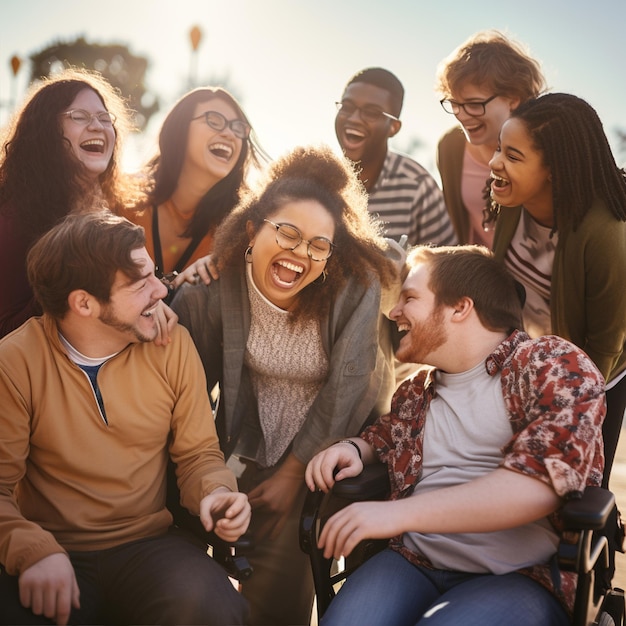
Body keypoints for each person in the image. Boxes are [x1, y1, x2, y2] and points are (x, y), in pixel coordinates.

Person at [305, 244, 605, 626]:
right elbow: (387, 434)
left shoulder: (551, 364)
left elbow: (541, 482)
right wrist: (355, 447)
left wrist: (393, 515)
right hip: (414, 560)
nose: (394, 312)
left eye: (410, 298)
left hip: (520, 575)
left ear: (460, 308)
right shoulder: (415, 392)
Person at [171, 144, 400, 625]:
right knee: (201, 584)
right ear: (253, 230)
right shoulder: (219, 287)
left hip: (331, 459)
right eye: (288, 234)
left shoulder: (352, 285)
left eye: (319, 245)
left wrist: (293, 474)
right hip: (248, 448)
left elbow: (352, 385)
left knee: (278, 595)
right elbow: (182, 385)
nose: (301, 253)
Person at [0, 211, 250, 626]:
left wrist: (214, 493)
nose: (161, 289)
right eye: (140, 284)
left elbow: (199, 455)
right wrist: (32, 550)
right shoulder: (15, 362)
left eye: (155, 274)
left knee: (213, 607)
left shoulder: (172, 345)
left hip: (148, 545)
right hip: (54, 550)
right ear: (84, 303)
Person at [488, 92, 626, 484]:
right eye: (500, 149)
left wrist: (564, 413)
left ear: (555, 170)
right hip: (527, 357)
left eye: (513, 157)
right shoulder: (512, 199)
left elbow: (604, 344)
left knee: (573, 486)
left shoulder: (605, 234)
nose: (495, 163)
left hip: (595, 371)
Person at [0, 68, 171, 339]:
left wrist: (149, 301)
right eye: (79, 116)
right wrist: (69, 276)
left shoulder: (115, 209)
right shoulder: (13, 217)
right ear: (46, 131)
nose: (98, 126)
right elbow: (5, 330)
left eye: (105, 118)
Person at [122, 86, 266, 296]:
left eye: (238, 128)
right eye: (214, 120)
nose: (228, 133)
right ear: (180, 128)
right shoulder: (119, 199)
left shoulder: (238, 234)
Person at [435, 30, 546, 246]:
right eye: (455, 103)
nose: (462, 115)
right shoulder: (450, 148)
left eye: (474, 104)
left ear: (513, 99)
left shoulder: (544, 150)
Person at [335, 67, 456, 247]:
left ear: (393, 127)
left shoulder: (417, 186)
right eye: (347, 107)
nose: (354, 118)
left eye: (371, 112)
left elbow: (446, 268)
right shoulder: (321, 179)